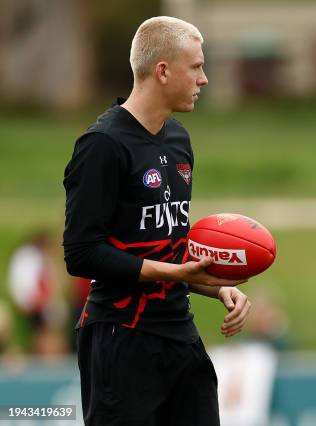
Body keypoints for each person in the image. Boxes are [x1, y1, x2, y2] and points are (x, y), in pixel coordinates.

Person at [63, 16, 251, 426]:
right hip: (120, 336)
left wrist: (216, 288)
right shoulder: (102, 145)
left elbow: (168, 245)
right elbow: (81, 253)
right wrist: (174, 270)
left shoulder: (178, 138)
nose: (204, 80)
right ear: (162, 71)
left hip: (178, 333)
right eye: (196, 67)